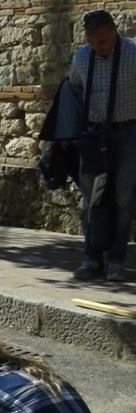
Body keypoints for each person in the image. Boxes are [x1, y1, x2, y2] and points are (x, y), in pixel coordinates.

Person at [68, 10, 136, 282]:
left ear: (114, 33)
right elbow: (72, 91)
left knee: (123, 199)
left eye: (105, 41)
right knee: (92, 200)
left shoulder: (133, 53)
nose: (100, 47)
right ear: (87, 38)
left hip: (129, 133)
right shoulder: (83, 57)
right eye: (94, 42)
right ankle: (91, 259)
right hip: (93, 137)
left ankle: (116, 261)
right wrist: (68, 132)